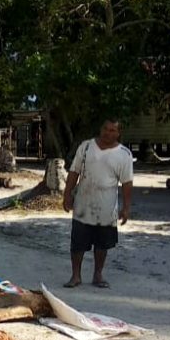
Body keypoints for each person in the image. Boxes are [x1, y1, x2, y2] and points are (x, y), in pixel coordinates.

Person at [62, 119, 134, 289]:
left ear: (118, 133)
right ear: (100, 129)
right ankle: (75, 276)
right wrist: (67, 195)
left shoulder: (124, 154)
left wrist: (126, 207)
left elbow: (127, 183)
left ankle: (98, 275)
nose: (108, 133)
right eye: (105, 129)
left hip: (107, 207)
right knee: (77, 243)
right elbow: (74, 172)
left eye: (112, 130)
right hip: (83, 204)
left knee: (102, 244)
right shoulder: (86, 147)